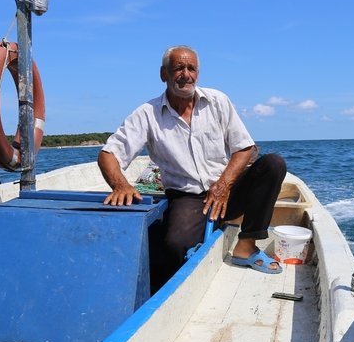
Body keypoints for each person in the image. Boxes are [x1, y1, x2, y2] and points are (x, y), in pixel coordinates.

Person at [98, 45, 287, 283]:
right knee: (175, 246)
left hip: (227, 191)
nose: (186, 74)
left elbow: (244, 148)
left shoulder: (218, 101)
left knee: (273, 164)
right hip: (188, 198)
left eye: (191, 68)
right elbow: (108, 154)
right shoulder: (147, 113)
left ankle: (246, 246)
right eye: (178, 68)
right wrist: (120, 185)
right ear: (163, 74)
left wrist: (224, 185)